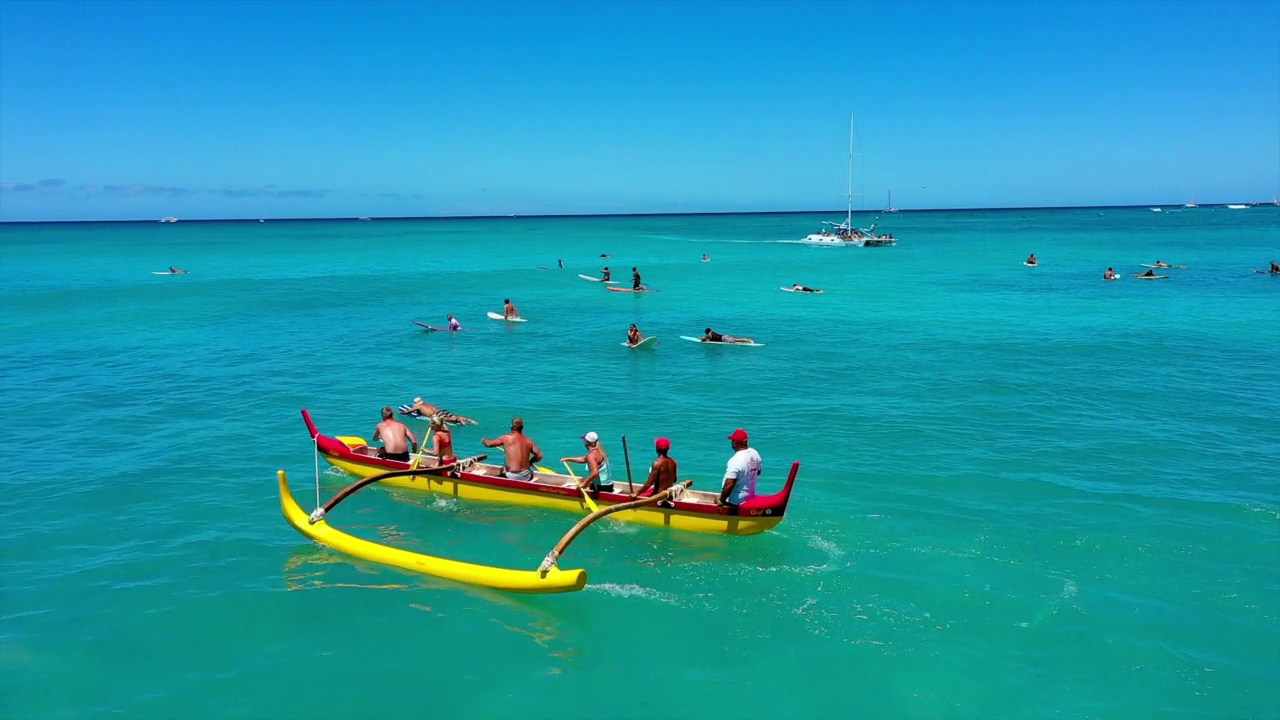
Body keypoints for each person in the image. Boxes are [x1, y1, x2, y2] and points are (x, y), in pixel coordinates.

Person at [718, 428, 761, 509]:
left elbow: (729, 484)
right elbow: (758, 472)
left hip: (735, 501)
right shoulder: (755, 453)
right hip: (749, 496)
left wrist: (721, 502)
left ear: (735, 443)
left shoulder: (735, 460)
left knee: (716, 500)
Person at [632, 436, 677, 506]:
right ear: (668, 449)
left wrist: (636, 493)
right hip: (668, 495)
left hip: (657, 496)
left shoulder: (657, 463)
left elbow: (649, 484)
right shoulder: (673, 462)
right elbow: (674, 480)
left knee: (642, 493)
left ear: (657, 449)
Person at [401, 397, 477, 426]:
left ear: (416, 403)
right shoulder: (427, 404)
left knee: (447, 419)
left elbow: (408, 412)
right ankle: (469, 420)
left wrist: (401, 412)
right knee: (452, 416)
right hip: (441, 410)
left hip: (436, 414)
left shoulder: (418, 406)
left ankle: (458, 420)